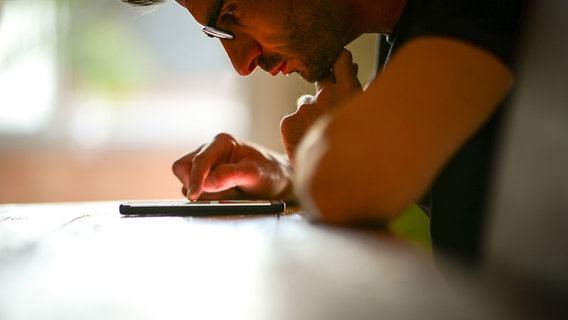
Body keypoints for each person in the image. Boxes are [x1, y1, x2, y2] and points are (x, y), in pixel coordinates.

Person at [121, 0, 526, 267]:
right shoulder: (406, 34)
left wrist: (325, 151)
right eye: (220, 35)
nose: (242, 64)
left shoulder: (468, 6)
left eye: (230, 14)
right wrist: (284, 174)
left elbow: (343, 189)